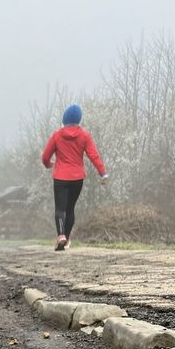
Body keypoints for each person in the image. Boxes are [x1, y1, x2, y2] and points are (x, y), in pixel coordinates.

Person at [41, 104, 108, 251]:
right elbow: (93, 155)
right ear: (78, 119)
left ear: (64, 119)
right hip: (77, 178)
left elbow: (45, 156)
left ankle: (61, 236)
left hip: (60, 177)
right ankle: (67, 238)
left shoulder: (57, 135)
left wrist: (48, 164)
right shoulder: (85, 135)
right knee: (70, 208)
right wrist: (103, 173)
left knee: (60, 208)